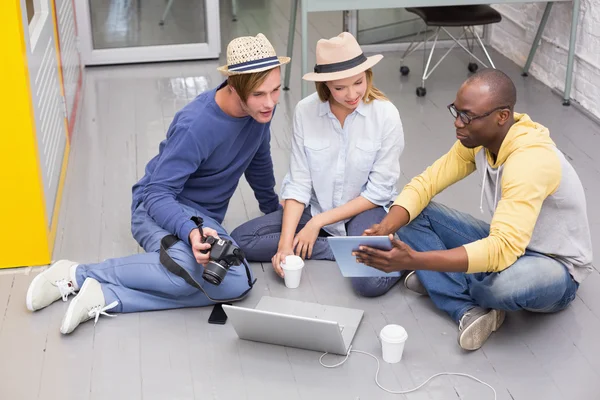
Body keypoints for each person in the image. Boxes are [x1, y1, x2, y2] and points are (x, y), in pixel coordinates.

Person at [25, 33, 290, 335]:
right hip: (157, 209)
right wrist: (190, 231)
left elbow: (259, 159)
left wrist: (273, 210)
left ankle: (108, 295)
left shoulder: (261, 111)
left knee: (237, 281)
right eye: (259, 94)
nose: (270, 102)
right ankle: (77, 273)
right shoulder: (197, 125)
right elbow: (156, 192)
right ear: (233, 86)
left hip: (203, 219)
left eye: (276, 90)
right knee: (186, 268)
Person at [354, 68, 593, 351]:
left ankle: (446, 285)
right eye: (456, 111)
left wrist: (418, 260)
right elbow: (426, 184)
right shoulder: (480, 140)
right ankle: (466, 307)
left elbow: (502, 249)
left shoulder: (530, 160)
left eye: (467, 116)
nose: (458, 123)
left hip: (554, 266)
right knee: (410, 214)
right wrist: (387, 226)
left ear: (501, 116)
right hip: (507, 242)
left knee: (501, 288)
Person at [231, 32, 405, 297]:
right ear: (324, 86)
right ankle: (346, 249)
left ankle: (367, 249)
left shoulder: (386, 115)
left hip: (363, 210)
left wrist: (316, 225)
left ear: (367, 75)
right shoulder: (305, 111)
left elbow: (378, 192)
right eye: (339, 88)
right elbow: (299, 182)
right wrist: (286, 247)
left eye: (358, 82)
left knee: (368, 284)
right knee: (241, 241)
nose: (351, 94)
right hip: (314, 207)